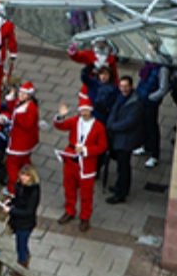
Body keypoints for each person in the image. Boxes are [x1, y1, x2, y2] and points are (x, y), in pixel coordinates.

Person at [54, 94, 107, 232]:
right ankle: (69, 211)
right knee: (69, 188)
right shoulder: (75, 121)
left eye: (86, 110)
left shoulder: (99, 127)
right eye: (81, 110)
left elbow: (102, 146)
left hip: (87, 164)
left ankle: (85, 217)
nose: (83, 112)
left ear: (90, 110)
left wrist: (85, 150)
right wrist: (61, 116)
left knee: (86, 193)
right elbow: (60, 126)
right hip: (71, 161)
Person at [105, 76, 144, 205]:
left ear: (131, 86)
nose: (124, 89)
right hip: (118, 137)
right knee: (120, 166)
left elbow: (130, 122)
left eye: (126, 86)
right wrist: (110, 123)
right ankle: (119, 187)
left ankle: (121, 193)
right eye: (121, 86)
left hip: (126, 140)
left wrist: (113, 127)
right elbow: (113, 112)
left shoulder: (136, 103)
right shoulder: (121, 97)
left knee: (123, 167)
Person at [1, 164, 40, 276]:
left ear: (31, 177)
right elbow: (19, 199)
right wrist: (11, 201)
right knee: (22, 246)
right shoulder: (21, 187)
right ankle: (22, 268)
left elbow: (28, 211)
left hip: (25, 224)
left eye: (27, 176)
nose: (24, 177)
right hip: (19, 222)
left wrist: (11, 211)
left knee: (21, 248)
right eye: (22, 175)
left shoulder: (33, 191)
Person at [134, 58, 170, 168]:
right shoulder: (149, 64)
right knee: (143, 124)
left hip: (150, 102)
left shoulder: (162, 69)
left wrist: (151, 98)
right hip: (142, 98)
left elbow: (163, 88)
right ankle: (146, 146)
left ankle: (155, 155)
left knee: (151, 126)